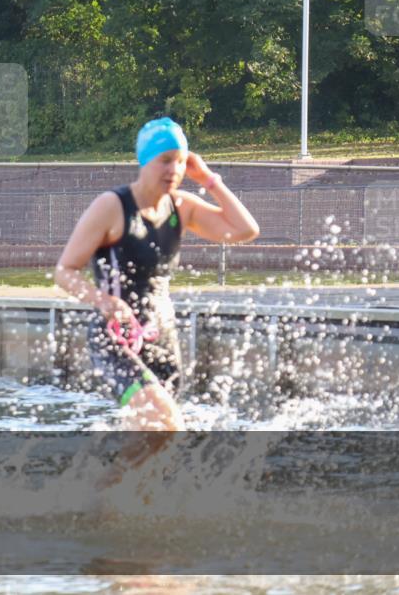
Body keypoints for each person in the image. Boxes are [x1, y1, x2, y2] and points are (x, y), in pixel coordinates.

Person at [55, 117, 260, 433]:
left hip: (163, 337)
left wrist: (208, 179)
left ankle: (105, 482)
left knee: (152, 442)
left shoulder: (181, 206)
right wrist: (102, 300)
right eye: (165, 161)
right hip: (116, 338)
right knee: (167, 423)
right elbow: (64, 271)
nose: (174, 170)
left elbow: (245, 230)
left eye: (180, 162)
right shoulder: (113, 206)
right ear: (144, 160)